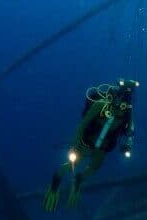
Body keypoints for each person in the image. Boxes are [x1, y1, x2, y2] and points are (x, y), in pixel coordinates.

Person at [43, 78, 139, 211]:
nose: (120, 107)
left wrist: (128, 145)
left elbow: (130, 132)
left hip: (103, 146)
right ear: (112, 97)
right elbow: (83, 124)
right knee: (73, 163)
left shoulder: (127, 112)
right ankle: (55, 184)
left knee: (94, 167)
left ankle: (79, 180)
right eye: (118, 101)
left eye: (124, 104)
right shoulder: (100, 105)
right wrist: (73, 145)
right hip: (87, 141)